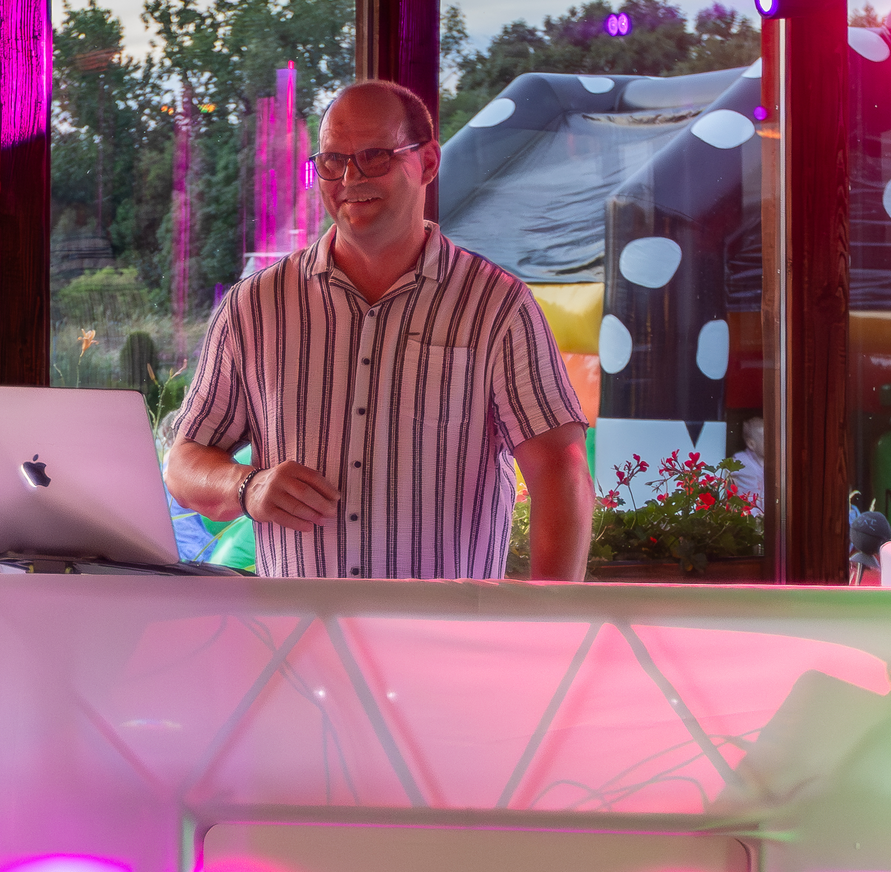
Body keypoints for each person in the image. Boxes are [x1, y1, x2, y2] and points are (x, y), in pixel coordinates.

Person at [162, 79, 594, 582]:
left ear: (428, 162)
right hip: (298, 645)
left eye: (375, 156)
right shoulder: (253, 308)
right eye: (332, 161)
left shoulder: (497, 307)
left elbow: (560, 473)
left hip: (442, 644)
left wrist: (547, 628)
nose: (350, 177)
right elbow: (183, 464)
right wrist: (248, 487)